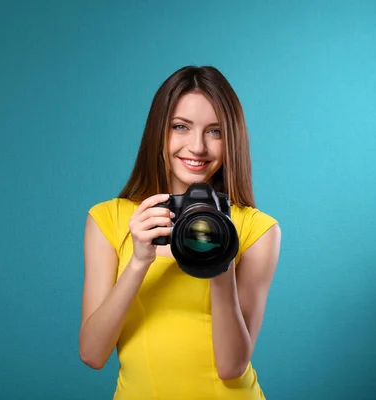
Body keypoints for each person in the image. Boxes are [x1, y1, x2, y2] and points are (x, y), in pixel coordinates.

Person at [79, 65, 282, 399]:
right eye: (181, 127)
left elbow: (231, 366)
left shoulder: (257, 230)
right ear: (159, 131)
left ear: (231, 138)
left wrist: (221, 263)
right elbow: (92, 353)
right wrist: (138, 262)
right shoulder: (109, 219)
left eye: (215, 131)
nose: (197, 147)